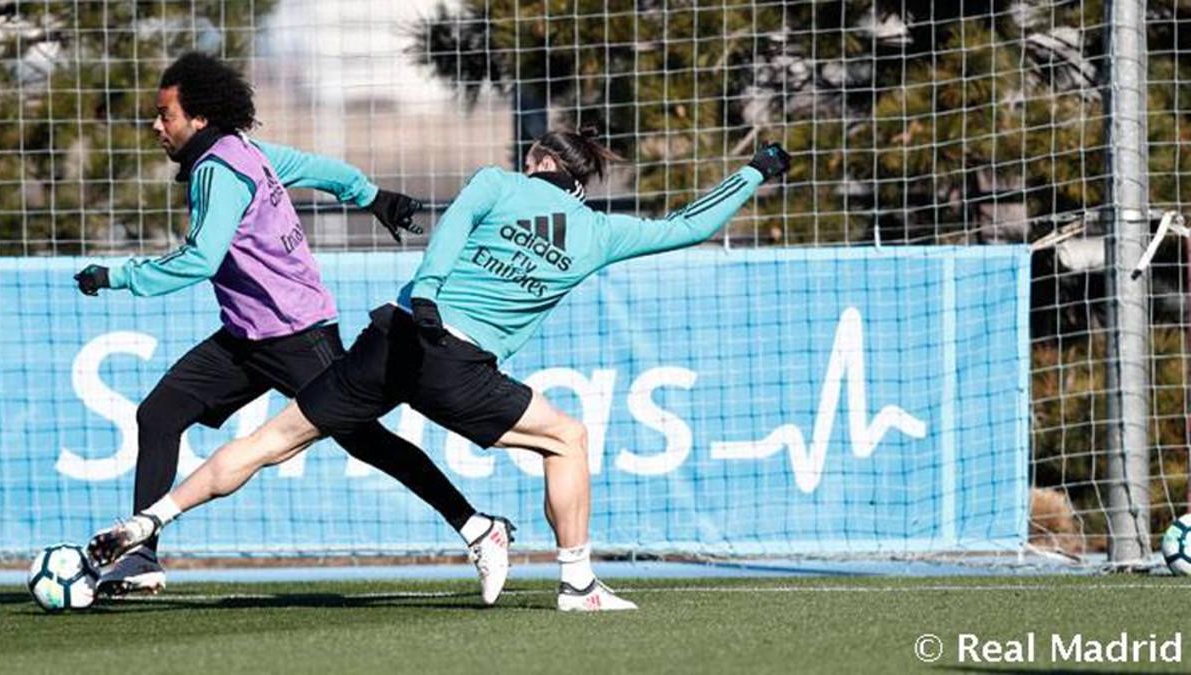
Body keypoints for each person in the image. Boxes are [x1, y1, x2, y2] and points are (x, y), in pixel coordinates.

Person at [88, 124, 791, 612]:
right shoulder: (603, 230)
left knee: (270, 441)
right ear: (577, 180)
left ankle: (151, 518)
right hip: (455, 365)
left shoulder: (496, 181)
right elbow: (692, 225)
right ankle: (577, 584)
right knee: (567, 437)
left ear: (536, 160)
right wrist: (753, 172)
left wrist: (424, 294)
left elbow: (449, 236)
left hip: (390, 338)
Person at [74, 52, 513, 604]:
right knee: (159, 413)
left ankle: (478, 527)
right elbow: (321, 169)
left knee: (366, 441)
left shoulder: (220, 169)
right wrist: (371, 196)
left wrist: (114, 276)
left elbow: (199, 260)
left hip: (296, 335)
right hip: (245, 338)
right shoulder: (246, 150)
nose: (156, 126)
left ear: (200, 118)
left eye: (166, 115)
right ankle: (139, 556)